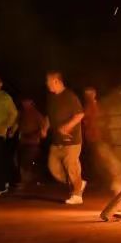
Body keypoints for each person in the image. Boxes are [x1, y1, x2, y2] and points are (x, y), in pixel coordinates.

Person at [43, 71, 86, 205]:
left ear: (56, 81)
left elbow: (79, 114)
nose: (47, 84)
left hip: (71, 141)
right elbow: (49, 116)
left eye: (48, 81)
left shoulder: (70, 96)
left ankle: (77, 195)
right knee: (53, 167)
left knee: (71, 167)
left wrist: (67, 126)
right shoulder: (51, 98)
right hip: (56, 141)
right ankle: (78, 182)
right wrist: (45, 128)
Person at [83, 87, 121, 194]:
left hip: (99, 138)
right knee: (100, 162)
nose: (88, 96)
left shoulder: (95, 107)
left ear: (94, 94)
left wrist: (99, 129)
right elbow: (88, 121)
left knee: (106, 161)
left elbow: (101, 120)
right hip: (94, 137)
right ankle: (109, 183)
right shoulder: (90, 106)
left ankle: (116, 183)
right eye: (87, 94)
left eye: (90, 94)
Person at [15, 97, 46, 191]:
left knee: (28, 162)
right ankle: (25, 181)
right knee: (22, 161)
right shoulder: (21, 113)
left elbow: (43, 125)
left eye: (27, 102)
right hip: (23, 141)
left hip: (33, 142)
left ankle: (26, 181)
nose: (25, 104)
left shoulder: (36, 114)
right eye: (24, 102)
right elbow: (17, 124)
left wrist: (42, 133)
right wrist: (14, 132)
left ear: (31, 102)